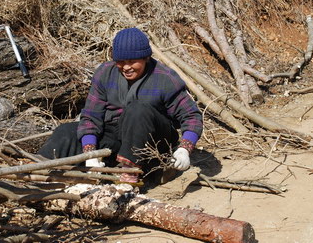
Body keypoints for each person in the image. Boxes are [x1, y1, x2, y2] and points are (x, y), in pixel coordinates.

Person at [38, 27, 203, 183]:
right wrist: (90, 153)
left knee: (137, 109)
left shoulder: (165, 79)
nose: (126, 67)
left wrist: (184, 149)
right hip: (115, 135)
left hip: (151, 140)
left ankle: (132, 172)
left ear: (146, 58)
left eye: (132, 62)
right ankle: (38, 173)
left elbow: (192, 117)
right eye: (120, 62)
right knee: (65, 132)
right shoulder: (105, 73)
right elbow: (91, 116)